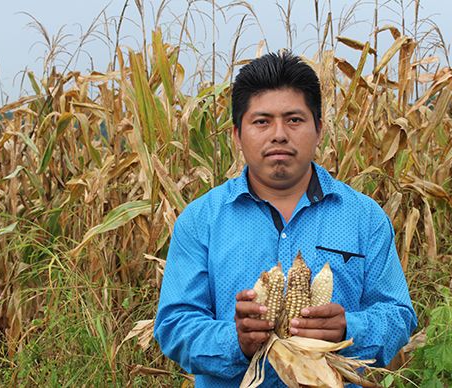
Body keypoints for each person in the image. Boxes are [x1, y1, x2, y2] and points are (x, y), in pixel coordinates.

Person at [154, 51, 417, 387]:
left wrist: (347, 330)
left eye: (294, 120)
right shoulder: (200, 221)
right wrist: (237, 341)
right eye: (261, 121)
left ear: (319, 130)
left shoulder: (364, 218)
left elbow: (398, 315)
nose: (279, 134)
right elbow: (174, 326)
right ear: (237, 135)